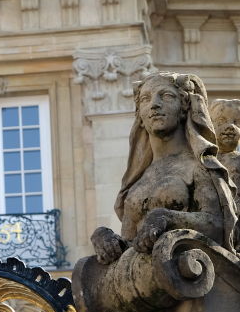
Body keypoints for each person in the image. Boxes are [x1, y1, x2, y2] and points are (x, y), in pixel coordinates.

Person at [90, 72, 237, 265]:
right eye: (145, 99)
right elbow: (132, 245)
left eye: (166, 96)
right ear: (140, 116)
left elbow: (218, 226)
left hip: (189, 274)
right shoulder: (137, 182)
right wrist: (105, 239)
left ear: (184, 106)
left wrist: (166, 217)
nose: (154, 104)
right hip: (142, 282)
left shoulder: (200, 166)